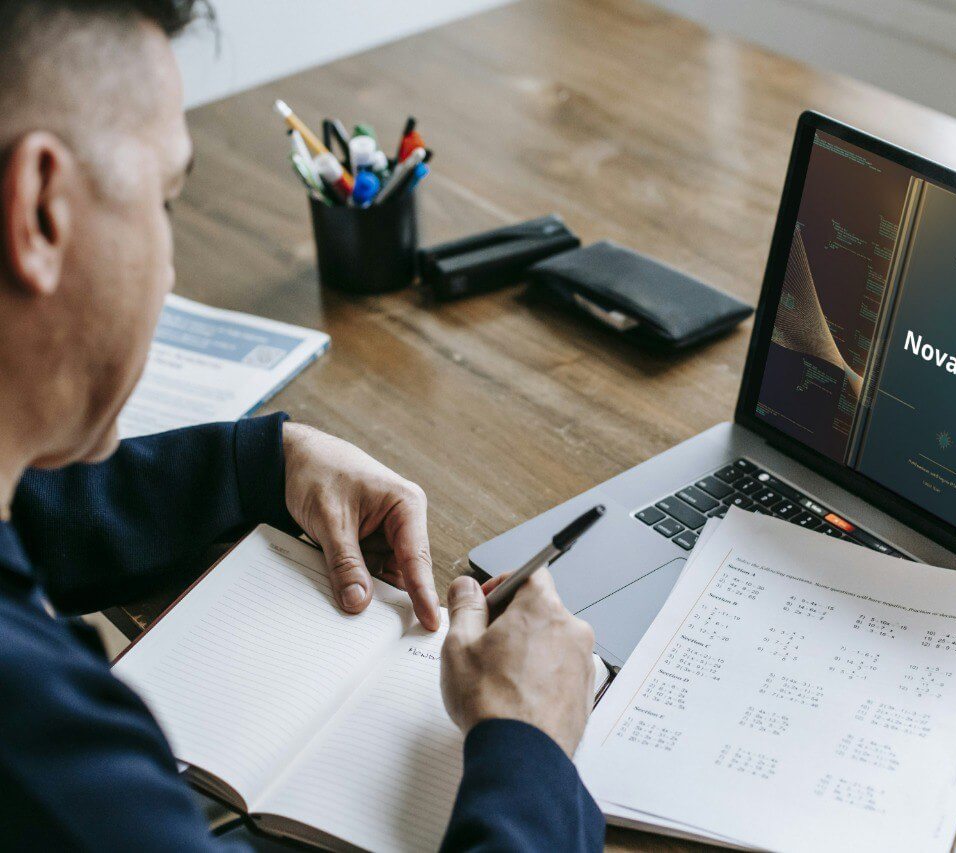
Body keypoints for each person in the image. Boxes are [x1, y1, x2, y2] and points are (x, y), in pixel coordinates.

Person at [0, 1, 603, 849]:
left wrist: (259, 463)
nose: (168, 263)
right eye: (165, 201)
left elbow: (27, 513)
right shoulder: (49, 765)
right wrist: (531, 749)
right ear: (41, 211)